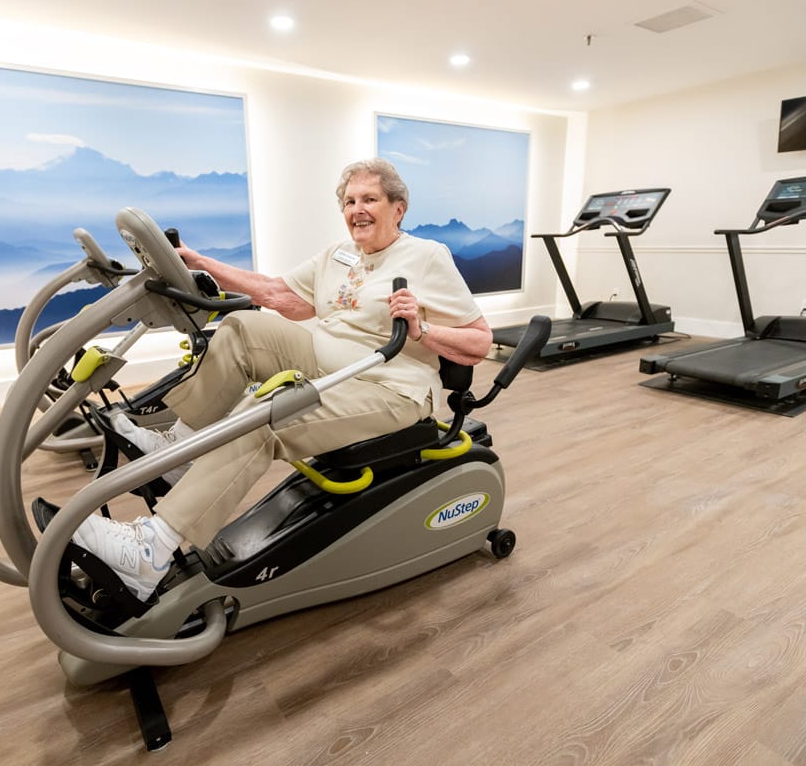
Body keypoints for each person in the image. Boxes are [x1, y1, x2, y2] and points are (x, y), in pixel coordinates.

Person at [73, 158, 493, 599]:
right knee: (242, 328)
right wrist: (200, 262)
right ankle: (179, 450)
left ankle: (150, 553)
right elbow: (278, 296)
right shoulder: (338, 255)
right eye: (350, 201)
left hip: (390, 386)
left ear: (398, 209)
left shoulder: (426, 256)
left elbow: (479, 342)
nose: (358, 209)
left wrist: (423, 330)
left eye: (370, 199)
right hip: (327, 362)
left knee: (264, 415)